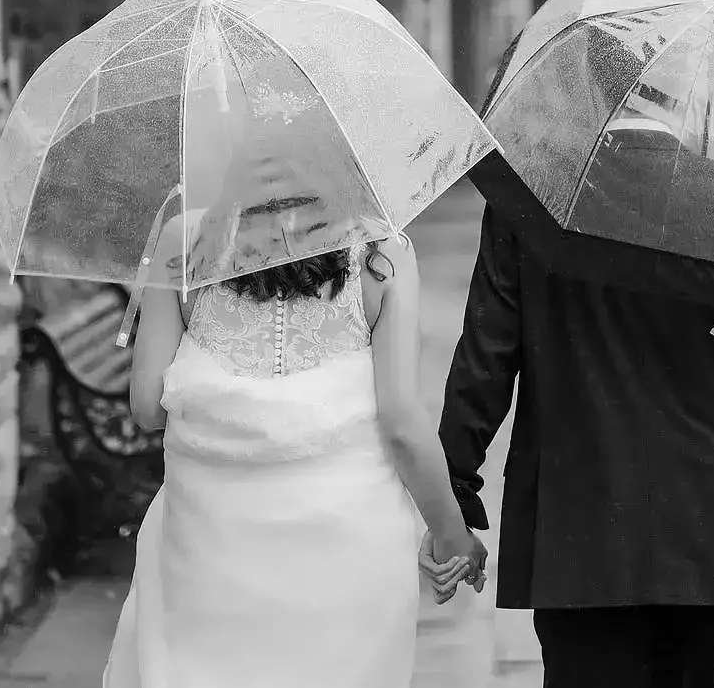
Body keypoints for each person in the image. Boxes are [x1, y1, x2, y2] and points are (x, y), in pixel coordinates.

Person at [420, 48, 714, 687]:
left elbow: (485, 360)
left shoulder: (530, 199)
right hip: (708, 526)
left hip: (578, 522)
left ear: (590, 94)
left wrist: (453, 494)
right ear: (681, 94)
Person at [103, 230, 486, 688]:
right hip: (349, 550)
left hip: (210, 546)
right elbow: (403, 426)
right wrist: (450, 533)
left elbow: (148, 407)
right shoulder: (383, 254)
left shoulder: (183, 241)